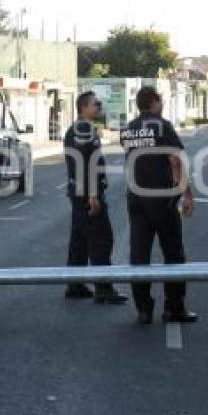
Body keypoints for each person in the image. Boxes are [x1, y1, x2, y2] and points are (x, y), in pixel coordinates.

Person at [120, 86, 196, 325]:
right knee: (173, 253)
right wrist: (188, 194)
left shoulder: (128, 129)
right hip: (162, 199)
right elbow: (175, 160)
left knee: (139, 256)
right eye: (160, 100)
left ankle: (143, 309)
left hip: (136, 199)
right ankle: (174, 308)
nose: (162, 104)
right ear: (154, 102)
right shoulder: (163, 126)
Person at [63, 91, 128, 304]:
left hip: (78, 191)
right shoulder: (83, 129)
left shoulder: (77, 128)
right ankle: (104, 289)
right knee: (101, 239)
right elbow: (84, 163)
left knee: (80, 240)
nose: (99, 107)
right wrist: (92, 193)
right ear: (83, 107)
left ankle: (75, 284)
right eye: (95, 104)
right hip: (87, 193)